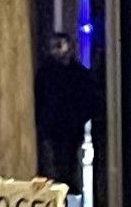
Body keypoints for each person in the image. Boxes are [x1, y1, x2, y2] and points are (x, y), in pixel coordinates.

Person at [35, 32, 93, 193]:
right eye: (54, 46)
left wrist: (79, 118)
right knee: (52, 169)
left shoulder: (79, 74)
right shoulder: (45, 74)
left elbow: (88, 100)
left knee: (68, 166)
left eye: (60, 45)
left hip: (70, 129)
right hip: (50, 129)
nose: (57, 50)